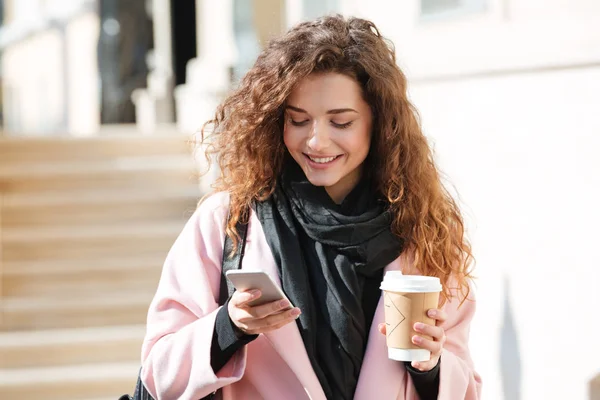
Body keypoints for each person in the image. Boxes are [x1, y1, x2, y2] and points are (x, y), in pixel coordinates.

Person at [140, 15, 481, 400]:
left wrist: (432, 367)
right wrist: (228, 326)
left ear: (379, 123)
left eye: (341, 122)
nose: (316, 141)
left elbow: (466, 384)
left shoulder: (423, 231)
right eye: (298, 120)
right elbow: (157, 374)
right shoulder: (229, 222)